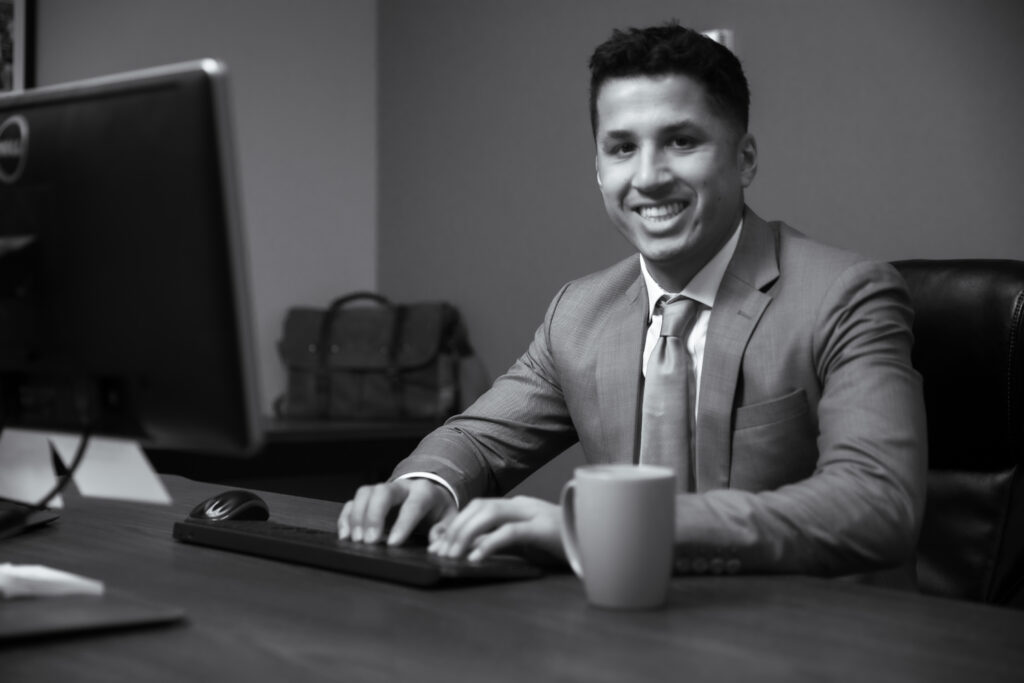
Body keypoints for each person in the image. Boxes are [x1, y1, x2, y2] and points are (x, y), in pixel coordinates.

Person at [338, 22, 927, 578]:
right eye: (621, 148)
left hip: (815, 642)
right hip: (629, 631)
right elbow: (475, 441)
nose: (648, 176)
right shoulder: (579, 314)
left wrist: (608, 527)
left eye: (680, 140)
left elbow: (877, 505)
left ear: (744, 158)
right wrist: (426, 486)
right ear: (598, 169)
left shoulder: (845, 294)